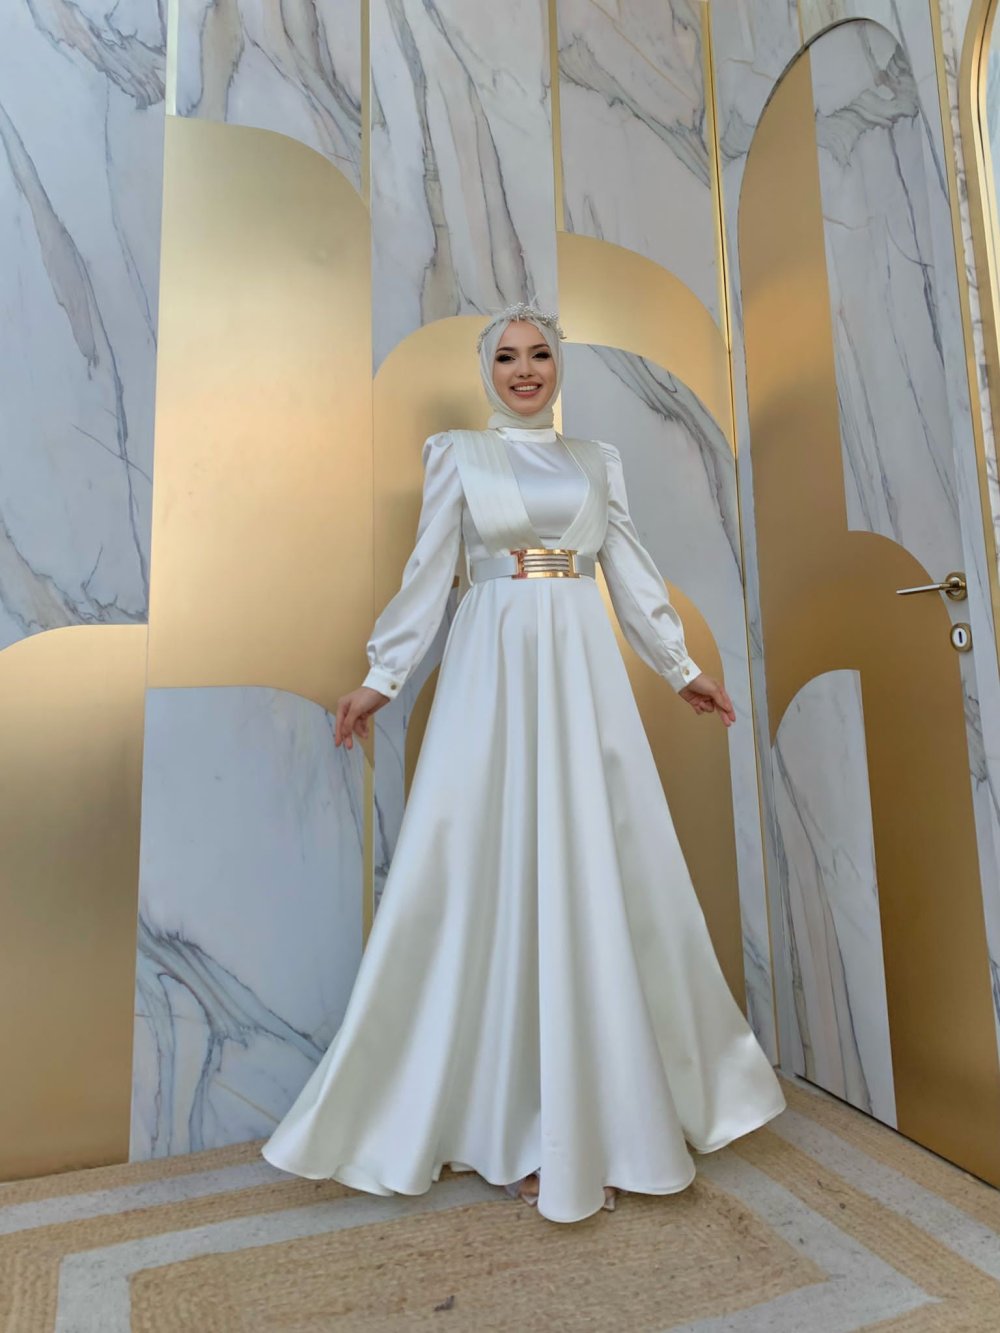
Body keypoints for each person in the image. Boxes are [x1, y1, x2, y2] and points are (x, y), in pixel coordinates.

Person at [262, 302, 786, 1224]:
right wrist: (381, 678)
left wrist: (681, 670)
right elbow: (429, 573)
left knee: (598, 869)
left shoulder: (597, 461)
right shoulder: (459, 455)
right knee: (490, 869)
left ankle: (611, 1120)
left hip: (582, 668)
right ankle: (510, 1123)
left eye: (540, 354)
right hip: (492, 668)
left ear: (558, 366)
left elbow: (631, 570)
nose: (525, 369)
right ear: (487, 371)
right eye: (506, 357)